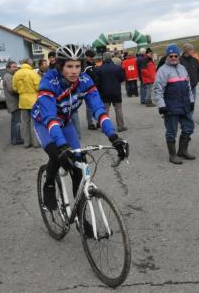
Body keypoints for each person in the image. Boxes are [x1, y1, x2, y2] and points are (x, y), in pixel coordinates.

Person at [31, 44, 128, 236]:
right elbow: (50, 117)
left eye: (77, 66)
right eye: (69, 66)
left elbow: (99, 110)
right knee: (58, 154)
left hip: (65, 123)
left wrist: (114, 136)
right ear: (60, 66)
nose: (74, 71)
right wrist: (62, 145)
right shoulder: (49, 81)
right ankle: (49, 185)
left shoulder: (85, 80)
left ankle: (79, 218)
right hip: (45, 122)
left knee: (78, 168)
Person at [154, 44, 195, 165]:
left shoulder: (182, 68)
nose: (173, 58)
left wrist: (191, 101)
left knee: (188, 128)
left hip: (185, 105)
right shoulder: (162, 71)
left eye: (175, 55)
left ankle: (182, 151)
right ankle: (172, 155)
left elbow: (188, 86)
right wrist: (161, 105)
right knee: (171, 131)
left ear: (178, 56)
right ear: (167, 56)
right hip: (171, 106)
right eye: (170, 56)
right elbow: (158, 90)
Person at [12, 58, 41, 148]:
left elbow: (14, 88)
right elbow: (39, 87)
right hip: (33, 101)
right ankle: (36, 143)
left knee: (25, 123)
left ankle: (26, 143)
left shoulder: (16, 74)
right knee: (35, 122)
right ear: (30, 64)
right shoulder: (33, 73)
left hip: (22, 101)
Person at [96, 52, 127, 132]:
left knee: (105, 110)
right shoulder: (118, 68)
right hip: (116, 91)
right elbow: (122, 79)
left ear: (103, 58)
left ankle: (105, 127)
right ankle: (121, 126)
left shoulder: (99, 69)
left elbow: (97, 82)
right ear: (111, 58)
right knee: (118, 109)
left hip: (104, 92)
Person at [3, 61, 23, 145]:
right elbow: (11, 89)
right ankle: (16, 139)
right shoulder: (8, 76)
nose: (16, 68)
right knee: (16, 121)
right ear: (8, 68)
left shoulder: (10, 76)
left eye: (16, 66)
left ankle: (15, 138)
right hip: (13, 102)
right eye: (13, 67)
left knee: (15, 121)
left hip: (13, 102)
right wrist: (21, 90)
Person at [83, 49, 99, 130]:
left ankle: (97, 121)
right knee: (89, 106)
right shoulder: (84, 65)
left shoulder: (93, 63)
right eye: (91, 57)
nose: (92, 58)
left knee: (95, 105)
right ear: (87, 56)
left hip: (95, 87)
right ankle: (90, 123)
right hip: (87, 89)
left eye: (93, 57)